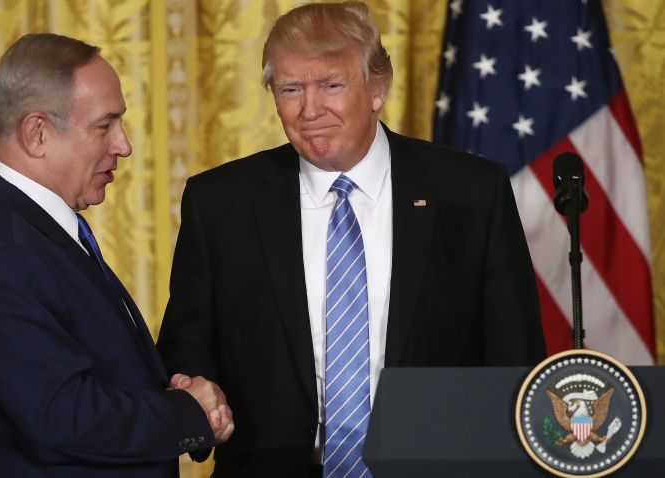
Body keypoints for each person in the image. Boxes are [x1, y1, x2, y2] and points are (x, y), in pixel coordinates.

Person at [156, 2, 546, 476]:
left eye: (331, 86)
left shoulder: (470, 192)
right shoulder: (220, 202)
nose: (310, 109)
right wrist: (203, 406)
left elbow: (514, 354)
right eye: (291, 89)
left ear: (378, 88)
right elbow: (186, 341)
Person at [0, 33, 233, 477]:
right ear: (37, 133)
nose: (123, 145)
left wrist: (168, 391)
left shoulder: (22, 230)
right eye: (105, 125)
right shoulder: (4, 252)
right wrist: (186, 413)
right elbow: (62, 414)